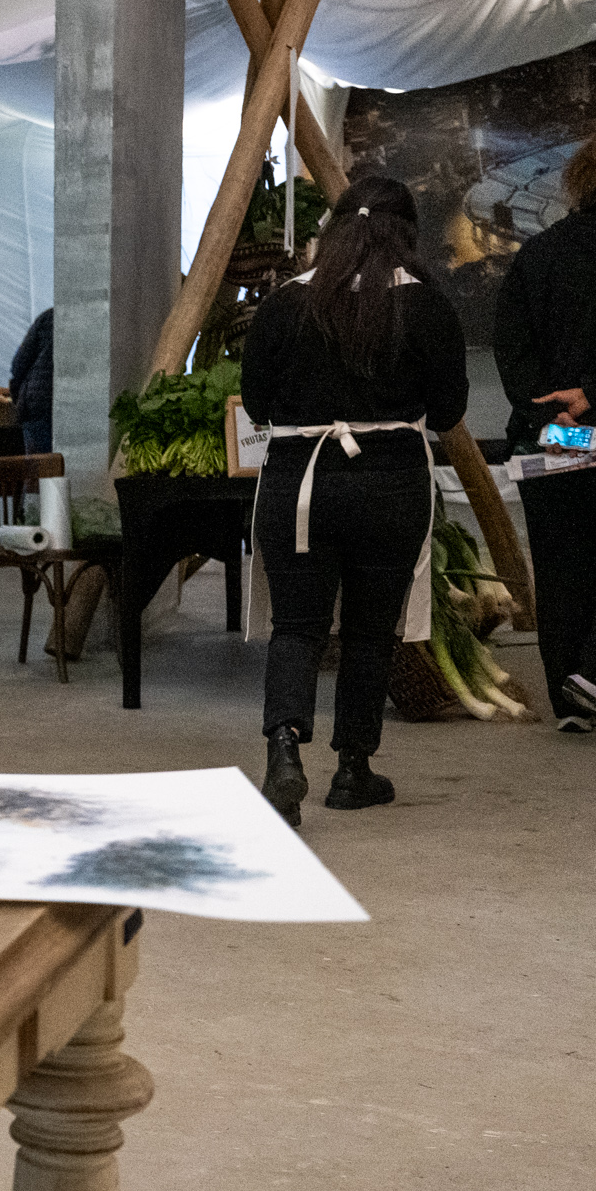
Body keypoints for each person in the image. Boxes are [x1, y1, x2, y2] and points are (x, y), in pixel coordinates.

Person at [241, 177, 469, 822]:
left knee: (298, 627)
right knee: (372, 632)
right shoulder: (426, 307)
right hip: (391, 484)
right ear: (409, 237)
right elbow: (450, 411)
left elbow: (258, 405)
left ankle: (284, 750)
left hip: (300, 483)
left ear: (333, 230)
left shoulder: (285, 304)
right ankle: (353, 770)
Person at [492, 132, 596, 731]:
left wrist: (550, 415)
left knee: (561, 569)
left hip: (549, 442)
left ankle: (570, 704)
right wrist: (595, 397)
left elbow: (511, 348)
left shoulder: (537, 255)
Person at [8, 307, 56, 454]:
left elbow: (19, 364)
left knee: (38, 468)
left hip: (37, 406)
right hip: (66, 405)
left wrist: (18, 396)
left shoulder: (47, 317)